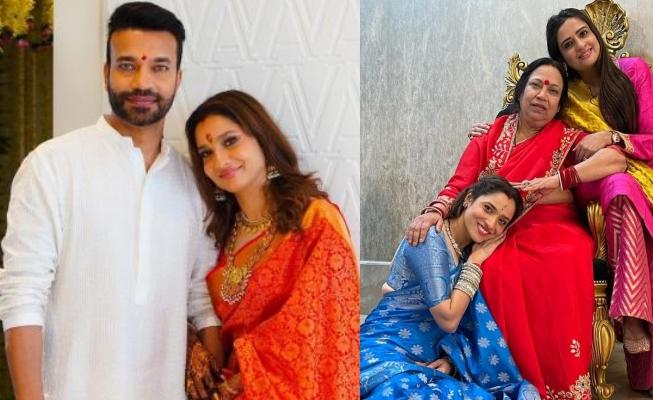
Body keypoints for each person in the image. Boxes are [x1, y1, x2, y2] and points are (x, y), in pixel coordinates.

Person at [0, 2, 222, 399]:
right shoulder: (52, 165)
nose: (142, 82)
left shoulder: (193, 183)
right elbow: (22, 296)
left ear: (178, 78)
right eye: (126, 65)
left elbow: (202, 300)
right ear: (106, 74)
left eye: (159, 67)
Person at [406, 58, 629, 398]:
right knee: (493, 265)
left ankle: (559, 383)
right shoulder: (489, 136)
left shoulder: (569, 139)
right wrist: (434, 211)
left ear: (560, 103)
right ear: (521, 90)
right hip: (501, 227)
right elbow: (459, 184)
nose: (542, 95)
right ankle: (492, 370)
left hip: (557, 227)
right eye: (536, 85)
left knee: (560, 261)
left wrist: (560, 179)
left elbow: (618, 160)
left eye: (553, 91)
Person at [544, 9, 653, 399]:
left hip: (641, 183)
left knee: (648, 236)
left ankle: (639, 333)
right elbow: (529, 103)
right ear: (561, 57)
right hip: (591, 184)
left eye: (583, 34)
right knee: (617, 183)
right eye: (568, 44)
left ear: (595, 33)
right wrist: (495, 124)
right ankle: (638, 334)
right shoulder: (566, 93)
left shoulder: (633, 72)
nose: (581, 46)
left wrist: (611, 137)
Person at [182, 90, 359, 399]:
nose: (220, 160)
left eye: (230, 141)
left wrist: (244, 379)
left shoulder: (315, 221)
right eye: (206, 153)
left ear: (262, 139)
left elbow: (321, 327)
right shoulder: (216, 236)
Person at [361, 176, 542, 400]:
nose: (491, 223)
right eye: (488, 208)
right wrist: (475, 263)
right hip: (386, 347)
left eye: (502, 221)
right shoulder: (431, 240)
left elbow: (467, 328)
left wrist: (450, 362)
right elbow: (448, 319)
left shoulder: (464, 251)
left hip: (424, 361)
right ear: (468, 199)